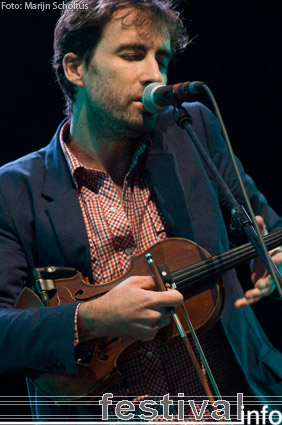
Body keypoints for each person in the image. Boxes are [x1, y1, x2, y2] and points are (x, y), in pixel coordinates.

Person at [0, 0, 282, 421]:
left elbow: (269, 229)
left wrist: (271, 260)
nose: (155, 74)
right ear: (76, 69)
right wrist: (92, 318)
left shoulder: (194, 127)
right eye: (133, 54)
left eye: (162, 58)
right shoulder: (14, 188)